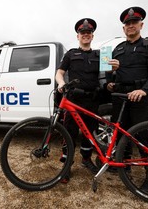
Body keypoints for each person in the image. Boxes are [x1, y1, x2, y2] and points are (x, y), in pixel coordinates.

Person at [106, 7, 148, 193]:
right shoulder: (117, 49)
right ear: (124, 28)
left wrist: (145, 89)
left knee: (143, 135)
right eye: (127, 23)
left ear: (141, 24)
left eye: (134, 22)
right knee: (120, 132)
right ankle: (124, 166)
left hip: (141, 95)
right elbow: (112, 74)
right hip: (121, 96)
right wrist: (111, 82)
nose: (130, 25)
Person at [55, 18, 100, 183]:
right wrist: (61, 83)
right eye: (83, 33)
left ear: (92, 36)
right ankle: (67, 166)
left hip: (93, 99)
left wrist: (115, 67)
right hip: (74, 100)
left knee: (89, 133)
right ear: (78, 36)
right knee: (69, 133)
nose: (85, 35)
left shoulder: (100, 55)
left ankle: (86, 160)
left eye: (88, 33)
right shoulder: (71, 54)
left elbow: (110, 73)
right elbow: (59, 73)